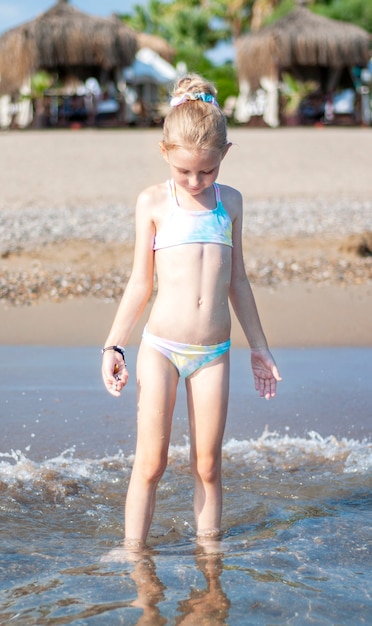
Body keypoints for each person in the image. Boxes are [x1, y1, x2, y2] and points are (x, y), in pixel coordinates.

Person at [101, 74, 281, 547]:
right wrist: (114, 344)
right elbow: (140, 283)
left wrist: (259, 348)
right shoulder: (154, 202)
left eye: (208, 171)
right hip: (160, 347)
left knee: (208, 463)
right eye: (186, 172)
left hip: (213, 352)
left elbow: (238, 281)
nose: (197, 181)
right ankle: (134, 553)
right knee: (151, 462)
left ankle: (209, 556)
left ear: (224, 156)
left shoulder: (231, 203)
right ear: (165, 153)